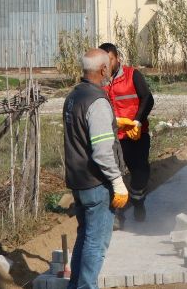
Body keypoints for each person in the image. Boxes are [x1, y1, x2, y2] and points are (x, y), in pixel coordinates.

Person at [63, 48, 128, 289]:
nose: (110, 70)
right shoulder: (97, 101)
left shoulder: (74, 96)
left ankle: (76, 286)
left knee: (85, 238)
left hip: (79, 182)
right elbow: (102, 152)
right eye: (108, 67)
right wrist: (118, 181)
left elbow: (82, 133)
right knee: (96, 244)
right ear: (102, 69)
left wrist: (110, 123)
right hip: (96, 184)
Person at [98, 43, 155, 227]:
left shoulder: (132, 75)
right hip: (113, 138)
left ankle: (138, 200)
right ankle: (117, 215)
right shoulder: (98, 81)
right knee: (113, 176)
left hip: (135, 135)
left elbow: (148, 98)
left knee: (140, 174)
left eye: (110, 59)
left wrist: (138, 120)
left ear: (117, 59)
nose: (107, 64)